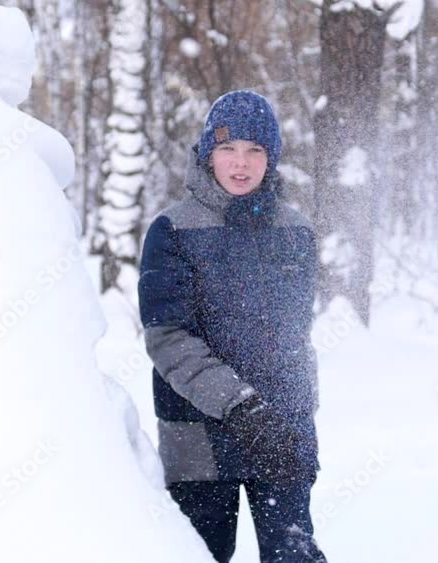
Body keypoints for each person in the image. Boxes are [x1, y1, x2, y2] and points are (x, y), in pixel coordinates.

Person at [138, 90, 327, 563]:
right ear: (208, 154)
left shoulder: (297, 232)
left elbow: (294, 338)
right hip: (199, 439)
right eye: (227, 148)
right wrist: (241, 408)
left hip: (279, 436)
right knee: (201, 555)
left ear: (271, 157)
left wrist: (299, 424)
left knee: (293, 556)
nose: (241, 163)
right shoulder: (172, 231)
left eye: (254, 150)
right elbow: (169, 338)